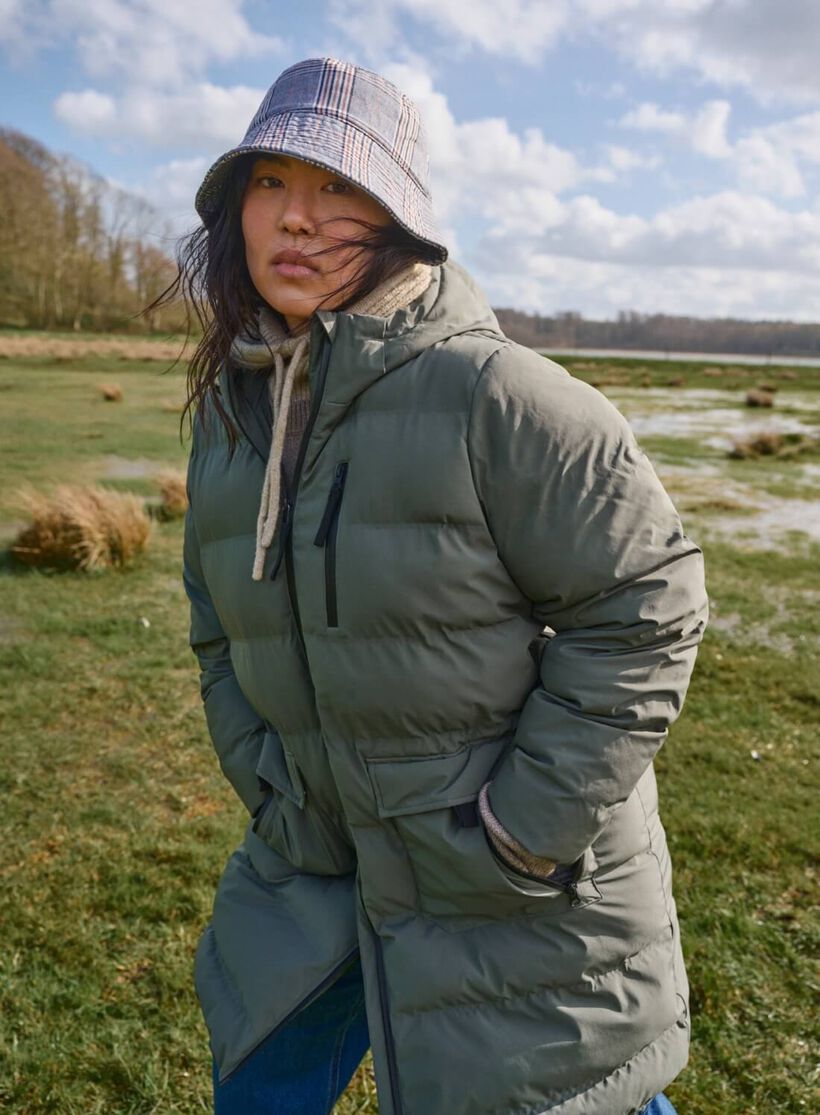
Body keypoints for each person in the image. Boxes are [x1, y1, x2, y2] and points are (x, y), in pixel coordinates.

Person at [172, 56, 708, 1115]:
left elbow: (646, 601)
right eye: (270, 183)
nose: (295, 218)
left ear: (402, 214)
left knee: (572, 1092)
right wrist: (269, 780)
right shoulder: (230, 415)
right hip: (315, 865)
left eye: (338, 186)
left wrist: (523, 825)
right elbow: (213, 628)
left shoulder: (498, 394)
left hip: (511, 892)